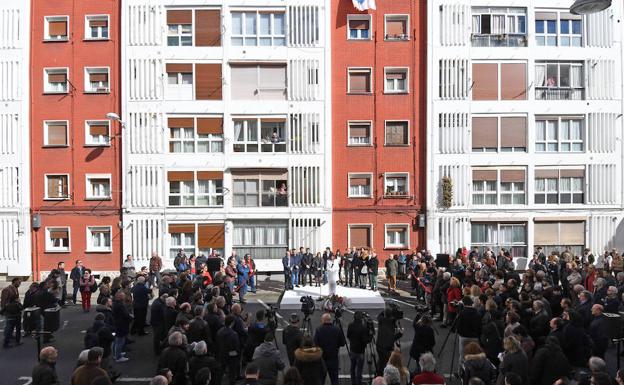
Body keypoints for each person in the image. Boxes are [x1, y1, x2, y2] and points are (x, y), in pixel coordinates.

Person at [314, 313, 345, 385]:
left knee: (321, 380)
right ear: (330, 320)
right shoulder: (337, 329)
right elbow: (342, 343)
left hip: (322, 359)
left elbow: (316, 344)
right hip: (333, 358)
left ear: (323, 320)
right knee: (334, 380)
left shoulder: (318, 330)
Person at [347, 311, 373, 385]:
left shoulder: (350, 325)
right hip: (360, 351)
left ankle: (353, 382)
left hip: (352, 349)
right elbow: (365, 340)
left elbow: (348, 335)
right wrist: (370, 336)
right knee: (359, 368)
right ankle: (358, 383)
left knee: (352, 367)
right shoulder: (363, 327)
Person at [218, 315, 242, 385]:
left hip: (222, 354)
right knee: (232, 373)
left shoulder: (219, 331)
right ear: (232, 323)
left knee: (221, 371)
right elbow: (237, 348)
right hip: (231, 356)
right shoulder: (234, 334)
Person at [1, 277, 22, 348]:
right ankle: (6, 343)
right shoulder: (7, 289)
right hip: (10, 311)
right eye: (18, 282)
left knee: (16, 327)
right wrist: (4, 310)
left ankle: (17, 340)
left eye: (20, 282)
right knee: (9, 327)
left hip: (16, 310)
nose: (19, 284)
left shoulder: (15, 289)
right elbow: (3, 301)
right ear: (14, 281)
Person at [112, 291, 132, 362]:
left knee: (117, 341)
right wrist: (130, 318)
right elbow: (125, 314)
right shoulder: (120, 305)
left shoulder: (116, 303)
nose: (124, 297)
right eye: (123, 296)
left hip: (118, 324)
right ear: (120, 297)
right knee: (120, 341)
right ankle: (118, 356)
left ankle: (116, 354)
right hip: (121, 325)